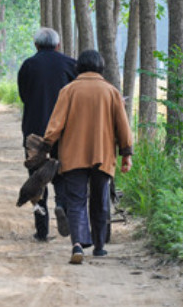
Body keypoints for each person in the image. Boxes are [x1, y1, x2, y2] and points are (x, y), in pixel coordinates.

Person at [42, 49, 133, 264]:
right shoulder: (111, 92)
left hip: (73, 155)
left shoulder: (68, 91)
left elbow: (55, 124)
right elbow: (123, 126)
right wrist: (126, 153)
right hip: (103, 154)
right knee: (100, 199)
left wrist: (47, 145)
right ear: (100, 67)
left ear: (78, 67)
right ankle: (99, 247)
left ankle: (78, 244)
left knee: (76, 199)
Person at [17, 28, 77, 242]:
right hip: (64, 131)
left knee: (36, 181)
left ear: (36, 46)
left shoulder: (28, 66)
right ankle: (61, 206)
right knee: (61, 174)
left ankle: (41, 230)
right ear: (58, 45)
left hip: (34, 132)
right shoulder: (71, 65)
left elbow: (24, 96)